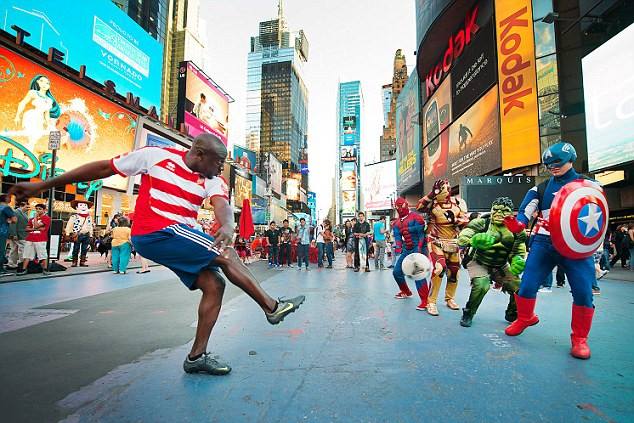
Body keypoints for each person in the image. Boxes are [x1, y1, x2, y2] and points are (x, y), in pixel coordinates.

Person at [9, 133, 305, 375]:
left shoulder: (211, 179)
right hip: (156, 230)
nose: (221, 168)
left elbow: (221, 205)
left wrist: (228, 223)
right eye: (218, 162)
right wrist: (42, 185)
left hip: (178, 236)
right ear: (199, 154)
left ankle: (196, 357)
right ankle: (271, 307)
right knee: (225, 253)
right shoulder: (156, 156)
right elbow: (101, 168)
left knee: (215, 285)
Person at [504, 142, 602, 359]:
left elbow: (599, 213)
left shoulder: (590, 185)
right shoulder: (540, 188)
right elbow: (525, 212)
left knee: (583, 292)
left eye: (557, 163)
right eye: (548, 164)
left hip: (577, 247)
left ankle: (579, 339)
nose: (552, 167)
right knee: (527, 284)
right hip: (545, 243)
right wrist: (517, 224)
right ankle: (525, 317)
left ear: (571, 160)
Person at [457, 197, 527, 327]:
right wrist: (473, 240)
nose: (499, 213)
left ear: (511, 213)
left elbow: (518, 250)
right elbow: (463, 236)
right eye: (496, 210)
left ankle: (512, 312)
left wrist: (518, 260)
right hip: (479, 261)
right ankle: (468, 313)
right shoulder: (482, 223)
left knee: (520, 288)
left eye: (504, 211)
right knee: (482, 285)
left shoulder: (517, 230)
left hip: (501, 264)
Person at [417, 179, 468, 316]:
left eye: (447, 188)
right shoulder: (432, 204)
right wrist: (431, 194)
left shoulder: (457, 203)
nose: (445, 191)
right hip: (436, 241)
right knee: (439, 269)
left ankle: (449, 298)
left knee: (455, 272)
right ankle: (431, 302)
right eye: (441, 189)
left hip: (453, 242)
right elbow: (419, 207)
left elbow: (466, 220)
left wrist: (457, 221)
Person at [391, 198, 430, 311]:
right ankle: (406, 291)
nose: (399, 208)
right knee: (397, 272)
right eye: (397, 206)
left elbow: (421, 236)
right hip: (407, 249)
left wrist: (419, 250)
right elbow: (398, 237)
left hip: (419, 248)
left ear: (406, 205)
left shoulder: (416, 218)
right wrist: (398, 248)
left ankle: (425, 300)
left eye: (401, 206)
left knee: (418, 274)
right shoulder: (397, 223)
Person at [18, 203, 50, 276]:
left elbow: (36, 225)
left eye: (40, 209)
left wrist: (35, 219)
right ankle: (24, 269)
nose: (38, 210)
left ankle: (45, 269)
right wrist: (36, 228)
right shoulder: (31, 219)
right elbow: (26, 229)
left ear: (44, 210)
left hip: (40, 239)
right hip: (30, 238)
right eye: (37, 209)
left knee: (42, 254)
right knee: (27, 254)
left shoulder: (46, 218)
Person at [65, 199, 94, 267]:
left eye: (85, 205)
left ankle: (82, 262)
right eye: (81, 205)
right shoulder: (74, 217)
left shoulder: (89, 217)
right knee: (76, 248)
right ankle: (74, 262)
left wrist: (91, 235)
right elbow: (69, 225)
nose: (83, 207)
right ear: (77, 207)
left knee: (84, 249)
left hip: (86, 235)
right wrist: (67, 234)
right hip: (77, 235)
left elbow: (90, 226)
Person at [7, 201, 29, 271]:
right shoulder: (16, 212)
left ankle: (12, 264)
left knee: (14, 249)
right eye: (27, 206)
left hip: (21, 234)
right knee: (22, 250)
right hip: (19, 235)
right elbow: (13, 224)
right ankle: (21, 264)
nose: (28, 208)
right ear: (22, 205)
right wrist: (14, 234)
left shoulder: (23, 213)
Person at [0, 195, 17, 275]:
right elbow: (14, 220)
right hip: (2, 231)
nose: (11, 199)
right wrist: (9, 220)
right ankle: (1, 269)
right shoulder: (6, 208)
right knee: (1, 250)